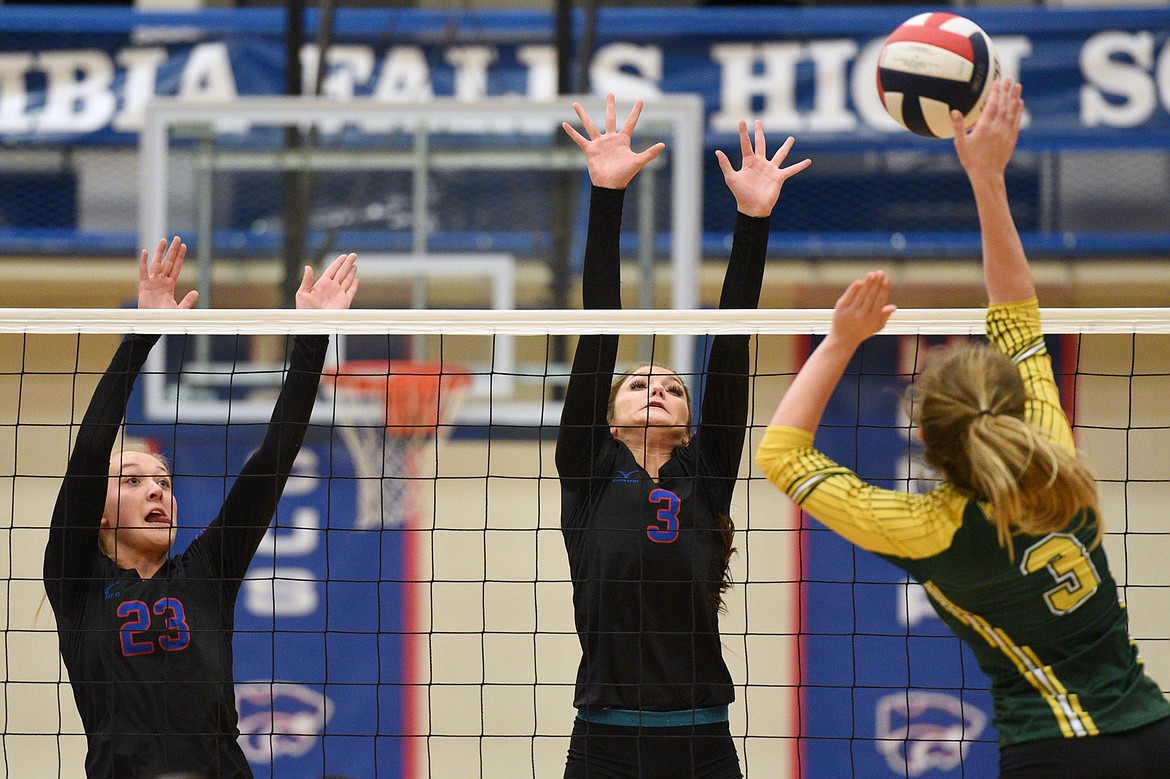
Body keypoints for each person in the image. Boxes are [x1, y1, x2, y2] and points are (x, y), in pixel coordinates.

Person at [756, 79, 1170, 778]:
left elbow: (782, 454)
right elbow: (1015, 307)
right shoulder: (1055, 452)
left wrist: (839, 340)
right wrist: (987, 177)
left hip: (1051, 753)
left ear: (925, 439)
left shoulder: (926, 529)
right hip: (1155, 733)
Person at [557, 95, 810, 778]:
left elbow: (730, 347)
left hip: (701, 738)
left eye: (672, 388)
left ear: (691, 425)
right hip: (602, 737)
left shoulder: (706, 472)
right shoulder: (586, 468)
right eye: (641, 384)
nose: (659, 389)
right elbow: (600, 327)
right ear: (610, 418)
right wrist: (607, 196)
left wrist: (753, 220)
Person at [43, 237, 359, 779]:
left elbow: (272, 462)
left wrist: (311, 339)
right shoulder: (77, 584)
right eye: (134, 480)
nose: (156, 491)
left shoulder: (206, 573)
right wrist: (143, 334)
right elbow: (92, 450)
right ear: (96, 509)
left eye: (163, 482)